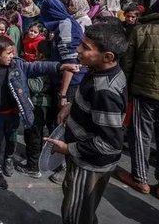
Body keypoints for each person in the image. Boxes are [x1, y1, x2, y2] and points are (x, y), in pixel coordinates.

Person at [45, 24, 128, 224]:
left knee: (76, 213)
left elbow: (109, 144)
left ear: (108, 56)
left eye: (85, 47)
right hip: (81, 156)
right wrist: (71, 106)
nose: (78, 50)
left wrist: (67, 148)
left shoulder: (105, 91)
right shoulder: (98, 70)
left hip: (89, 163)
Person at [0, 36, 78, 190]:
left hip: (12, 112)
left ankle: (9, 159)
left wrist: (60, 67)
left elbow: (38, 67)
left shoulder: (17, 65)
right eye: (9, 53)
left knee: (11, 139)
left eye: (13, 52)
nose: (12, 55)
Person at [40, 0, 85, 184]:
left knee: (64, 125)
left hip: (71, 83)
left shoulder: (66, 26)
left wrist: (63, 94)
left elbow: (71, 64)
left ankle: (65, 168)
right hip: (65, 82)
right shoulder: (64, 24)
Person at [118, 11, 159, 196]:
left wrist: (124, 90)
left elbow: (127, 62)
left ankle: (140, 178)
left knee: (142, 135)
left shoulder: (141, 30)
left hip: (145, 91)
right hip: (146, 89)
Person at [16, 40, 54, 178]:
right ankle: (30, 156)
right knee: (33, 135)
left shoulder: (42, 67)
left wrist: (24, 77)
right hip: (41, 105)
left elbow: (37, 86)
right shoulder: (49, 64)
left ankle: (32, 167)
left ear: (41, 55)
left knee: (34, 136)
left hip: (38, 105)